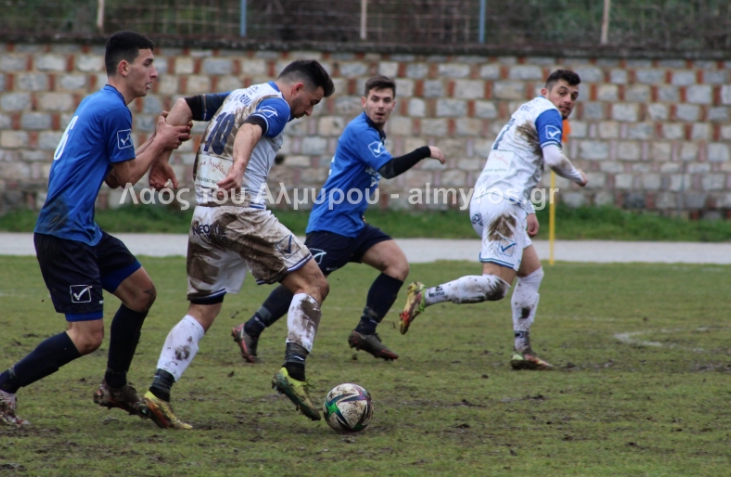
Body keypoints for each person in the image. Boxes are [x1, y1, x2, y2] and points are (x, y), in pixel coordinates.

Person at [0, 31, 191, 426]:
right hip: (64, 234)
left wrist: (156, 145)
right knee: (87, 336)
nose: (155, 73)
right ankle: (2, 386)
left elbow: (111, 176)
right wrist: (159, 141)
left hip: (81, 229)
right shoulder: (113, 110)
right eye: (148, 64)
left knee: (141, 293)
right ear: (124, 68)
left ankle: (114, 387)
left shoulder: (100, 104)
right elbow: (126, 177)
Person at [141, 60, 335, 429]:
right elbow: (250, 128)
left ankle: (158, 391)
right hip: (239, 210)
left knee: (203, 309)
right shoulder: (276, 103)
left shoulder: (237, 95)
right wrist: (239, 166)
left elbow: (182, 105)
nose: (309, 111)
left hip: (205, 218)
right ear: (296, 89)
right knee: (314, 284)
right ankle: (293, 372)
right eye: (312, 101)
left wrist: (161, 156)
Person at [231, 75, 446, 363]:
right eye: (375, 99)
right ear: (364, 102)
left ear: (393, 105)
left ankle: (365, 331)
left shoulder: (373, 133)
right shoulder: (361, 131)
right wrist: (425, 151)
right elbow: (389, 169)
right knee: (305, 282)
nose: (380, 105)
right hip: (331, 224)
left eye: (386, 100)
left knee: (396, 265)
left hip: (353, 224)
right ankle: (251, 328)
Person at [398, 69, 588, 370]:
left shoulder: (525, 111)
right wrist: (579, 176)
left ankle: (522, 349)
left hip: (490, 201)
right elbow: (553, 159)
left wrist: (527, 209)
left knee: (532, 274)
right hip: (502, 207)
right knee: (497, 286)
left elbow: (514, 164)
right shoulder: (549, 113)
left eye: (574, 96)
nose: (567, 101)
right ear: (546, 92)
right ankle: (425, 296)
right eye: (562, 92)